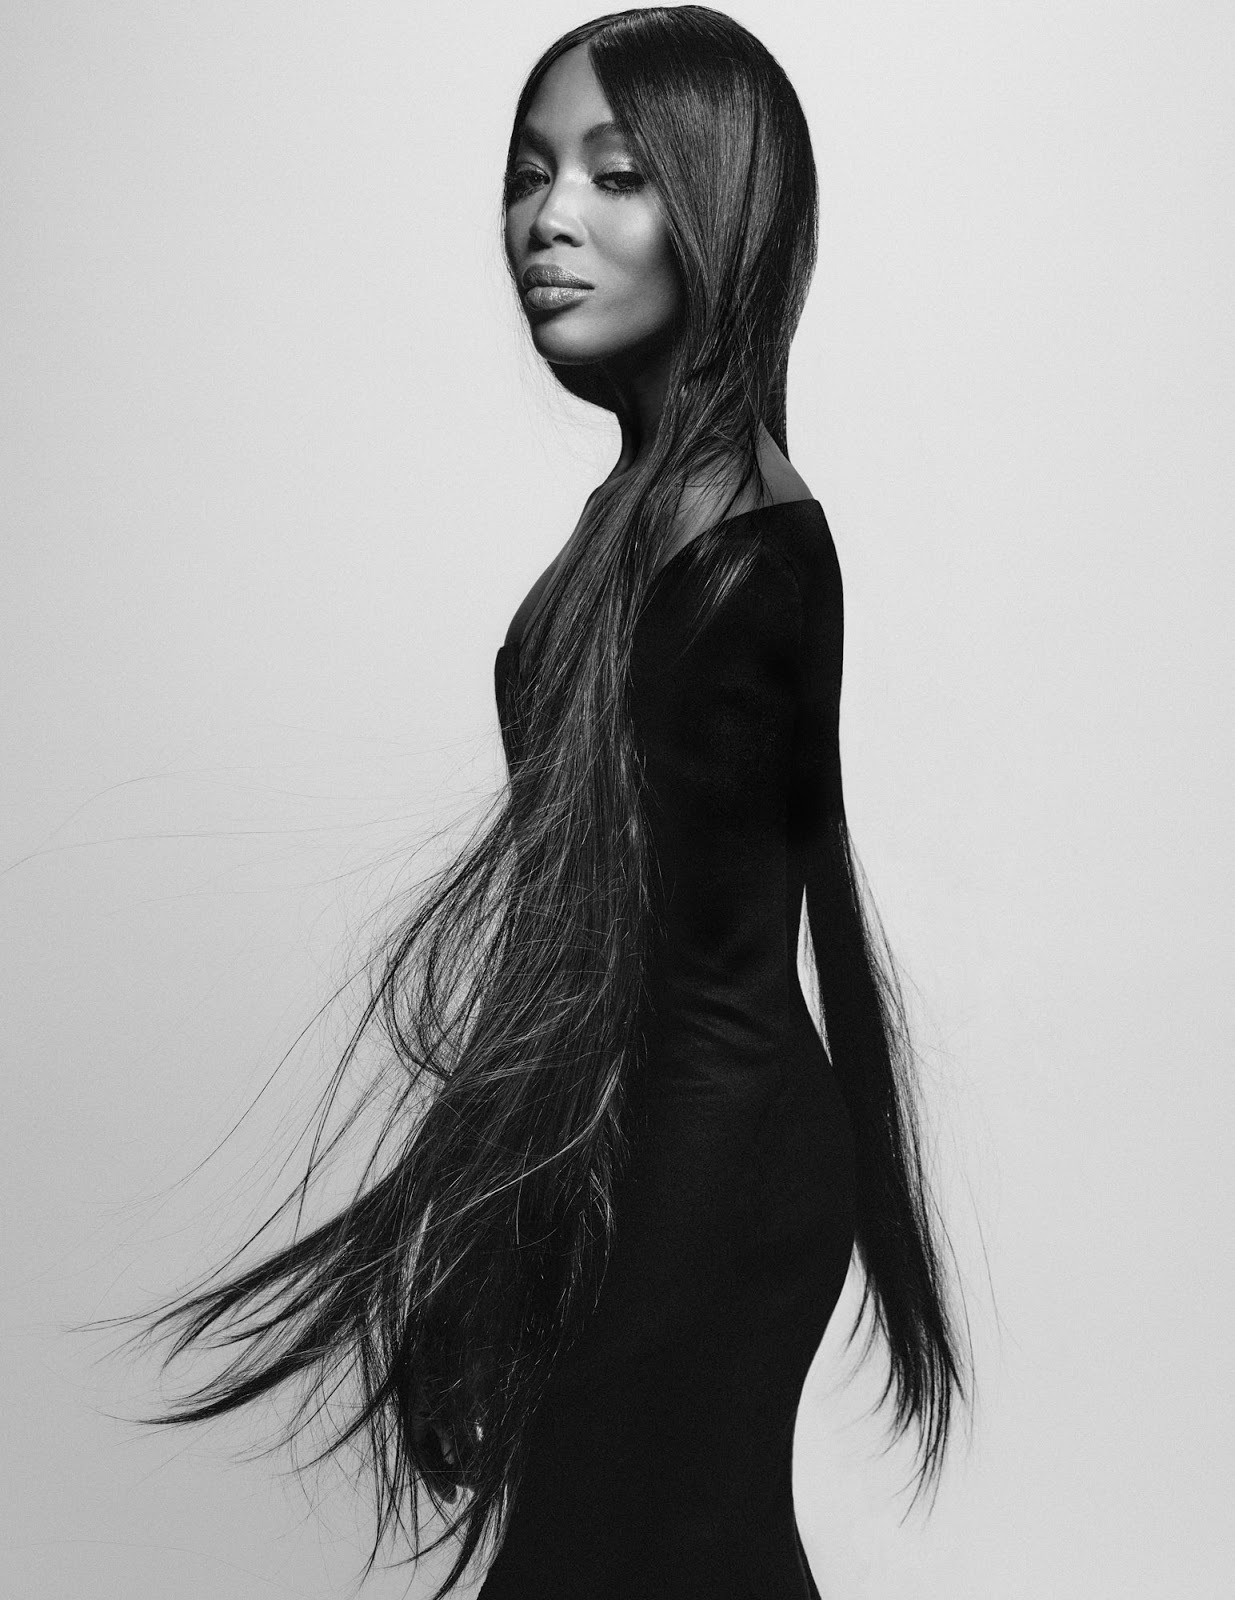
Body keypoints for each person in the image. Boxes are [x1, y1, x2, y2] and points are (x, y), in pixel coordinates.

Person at [136, 9, 969, 1597]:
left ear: (725, 206)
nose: (548, 220)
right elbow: (602, 947)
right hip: (671, 1146)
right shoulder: (656, 509)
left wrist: (618, 1272)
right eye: (529, 174)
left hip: (710, 1160)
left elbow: (700, 986)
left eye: (615, 175)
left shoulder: (734, 547)